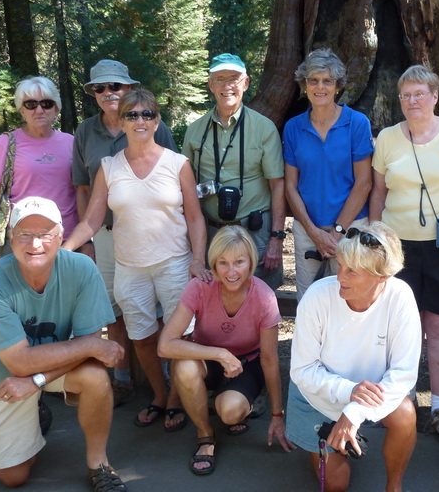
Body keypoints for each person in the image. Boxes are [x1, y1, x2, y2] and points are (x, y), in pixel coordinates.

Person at [64, 88, 208, 434]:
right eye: (132, 115)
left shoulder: (177, 164)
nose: (139, 120)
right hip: (129, 265)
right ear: (122, 121)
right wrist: (62, 251)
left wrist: (198, 259)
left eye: (147, 114)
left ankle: (177, 397)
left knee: (180, 337)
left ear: (157, 121)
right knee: (142, 337)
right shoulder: (109, 167)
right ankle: (159, 395)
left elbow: (195, 217)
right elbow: (92, 220)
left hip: (175, 262)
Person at [0, 197, 127, 491]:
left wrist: (37, 381)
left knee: (95, 376)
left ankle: (99, 464)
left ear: (61, 236)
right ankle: (35, 413)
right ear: (11, 238)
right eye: (24, 234)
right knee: (14, 477)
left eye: (45, 234)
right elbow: (19, 363)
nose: (35, 244)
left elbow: (90, 344)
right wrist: (90, 348)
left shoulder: (82, 269)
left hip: (50, 366)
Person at [369, 65, 439, 444]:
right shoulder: (386, 138)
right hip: (397, 248)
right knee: (403, 325)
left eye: (420, 94)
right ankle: (405, 399)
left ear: (435, 96)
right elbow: (378, 193)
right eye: (405, 95)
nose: (412, 101)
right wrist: (374, 240)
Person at [72, 59, 178, 408]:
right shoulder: (86, 132)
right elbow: (83, 189)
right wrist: (82, 239)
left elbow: (172, 180)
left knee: (162, 309)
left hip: (156, 234)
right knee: (114, 308)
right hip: (105, 233)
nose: (108, 93)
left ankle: (165, 381)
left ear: (129, 89)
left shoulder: (152, 123)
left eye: (115, 86)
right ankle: (122, 378)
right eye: (100, 88)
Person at [287, 222, 420, 492]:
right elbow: (302, 370)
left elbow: (403, 373)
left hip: (371, 395)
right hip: (319, 396)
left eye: (352, 272)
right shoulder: (316, 298)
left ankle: (394, 487)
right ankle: (328, 443)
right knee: (336, 485)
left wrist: (354, 410)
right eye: (340, 265)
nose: (340, 277)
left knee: (405, 412)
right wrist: (350, 392)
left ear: (382, 276)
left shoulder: (401, 297)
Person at [158, 226, 293, 476]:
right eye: (223, 263)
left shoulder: (263, 296)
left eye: (239, 262)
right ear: (213, 263)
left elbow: (271, 360)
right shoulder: (200, 287)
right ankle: (205, 435)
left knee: (230, 413)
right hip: (208, 358)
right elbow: (165, 345)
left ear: (251, 261)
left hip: (247, 364)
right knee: (185, 366)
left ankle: (240, 402)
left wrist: (277, 415)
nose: (231, 272)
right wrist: (220, 354)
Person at [182, 53, 286, 291]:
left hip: (254, 231)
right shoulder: (195, 131)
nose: (227, 86)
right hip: (210, 233)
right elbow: (186, 187)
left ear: (246, 83)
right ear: (210, 84)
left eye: (234, 79)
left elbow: (277, 184)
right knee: (212, 299)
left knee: (259, 298)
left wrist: (276, 238)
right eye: (219, 79)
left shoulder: (263, 128)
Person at [283, 48, 374, 300]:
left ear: (337, 86)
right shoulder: (293, 127)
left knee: (352, 298)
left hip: (351, 227)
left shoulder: (357, 123)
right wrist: (314, 233)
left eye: (327, 81)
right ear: (305, 85)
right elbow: (291, 186)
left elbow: (364, 184)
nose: (320, 87)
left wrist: (336, 233)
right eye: (313, 80)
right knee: (309, 300)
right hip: (307, 229)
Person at [0, 77, 77, 270]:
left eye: (46, 104)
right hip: (21, 240)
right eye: (31, 104)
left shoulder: (71, 143)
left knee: (65, 298)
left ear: (56, 108)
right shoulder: (5, 143)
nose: (39, 110)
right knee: (20, 298)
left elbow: (82, 192)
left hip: (66, 240)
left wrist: (86, 240)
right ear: (21, 109)